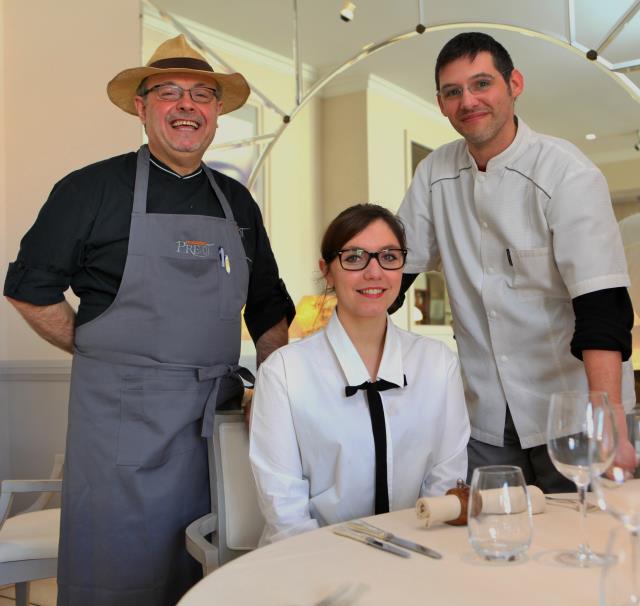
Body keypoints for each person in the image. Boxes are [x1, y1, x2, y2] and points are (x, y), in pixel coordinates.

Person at [3, 35, 294, 605]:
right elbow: (29, 289)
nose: (187, 106)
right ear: (141, 106)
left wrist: (277, 392)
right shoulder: (89, 190)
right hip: (120, 426)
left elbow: (268, 305)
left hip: (216, 426)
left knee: (213, 572)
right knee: (118, 575)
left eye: (202, 95)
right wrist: (99, 348)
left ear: (215, 113)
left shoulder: (236, 201)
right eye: (169, 92)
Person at [396, 32, 635, 493]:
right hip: (485, 418)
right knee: (492, 546)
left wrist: (610, 426)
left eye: (482, 84)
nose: (468, 101)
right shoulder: (434, 174)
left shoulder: (567, 172)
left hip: (574, 412)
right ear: (441, 104)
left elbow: (603, 310)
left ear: (514, 84)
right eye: (453, 92)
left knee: (580, 549)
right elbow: (394, 273)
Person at [250, 204, 470, 544]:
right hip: (311, 563)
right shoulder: (284, 372)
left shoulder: (438, 363)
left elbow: (445, 484)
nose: (374, 272)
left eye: (388, 256)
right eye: (354, 258)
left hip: (417, 557)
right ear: (327, 271)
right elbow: (285, 511)